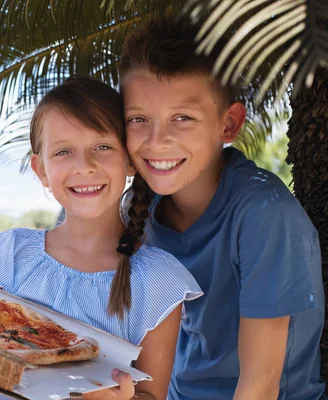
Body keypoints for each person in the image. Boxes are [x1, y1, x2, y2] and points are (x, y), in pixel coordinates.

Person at [0, 76, 202, 400]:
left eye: (102, 147)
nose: (84, 166)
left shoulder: (158, 281)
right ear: (41, 170)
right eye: (63, 151)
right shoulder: (11, 257)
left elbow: (150, 395)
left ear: (130, 159)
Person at [119, 17, 326, 400]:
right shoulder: (138, 209)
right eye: (139, 119)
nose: (156, 141)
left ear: (228, 124)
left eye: (183, 118)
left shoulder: (263, 213)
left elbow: (260, 385)